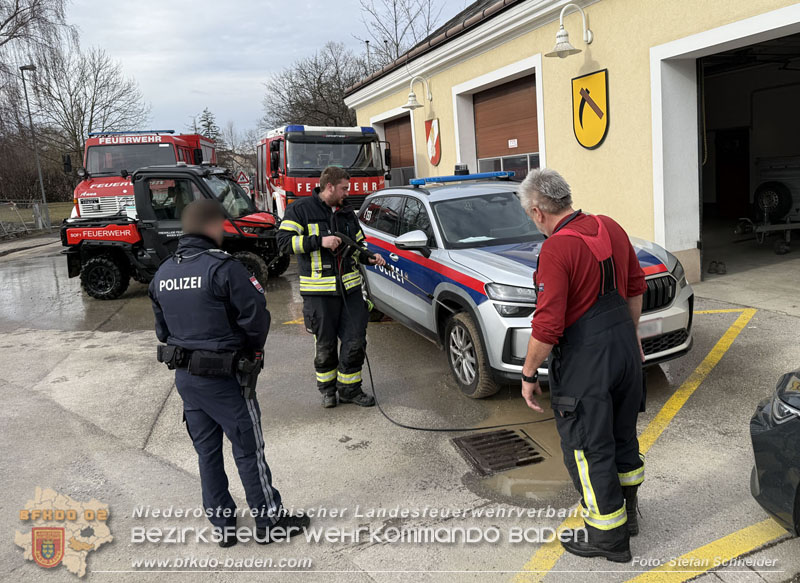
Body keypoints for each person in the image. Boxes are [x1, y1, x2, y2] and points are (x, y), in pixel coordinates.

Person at [149, 199, 309, 547]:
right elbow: (256, 320)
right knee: (248, 449)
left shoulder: (162, 273)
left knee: (207, 454)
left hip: (187, 381)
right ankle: (269, 521)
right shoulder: (224, 268)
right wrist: (251, 352)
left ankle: (224, 528)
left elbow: (162, 332)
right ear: (210, 226)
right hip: (227, 379)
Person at [517, 169, 646, 563]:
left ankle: (608, 537)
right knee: (622, 437)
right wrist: (630, 337)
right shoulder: (610, 227)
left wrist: (527, 374)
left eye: (529, 215)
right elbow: (636, 286)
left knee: (589, 449)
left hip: (586, 361)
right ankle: (628, 516)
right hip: (625, 350)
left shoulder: (556, 250)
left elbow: (548, 325)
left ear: (538, 212)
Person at [277, 166, 387, 408]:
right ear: (329, 186)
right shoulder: (300, 210)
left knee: (355, 341)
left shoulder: (347, 213)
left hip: (350, 292)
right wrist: (319, 241)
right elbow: (284, 244)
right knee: (325, 345)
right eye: (344, 188)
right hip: (318, 294)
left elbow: (358, 244)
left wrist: (368, 257)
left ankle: (350, 390)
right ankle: (328, 391)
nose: (347, 193)